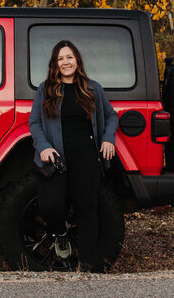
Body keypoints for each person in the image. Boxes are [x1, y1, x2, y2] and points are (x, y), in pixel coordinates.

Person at [28, 39, 118, 272]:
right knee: (50, 207)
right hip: (55, 159)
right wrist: (43, 146)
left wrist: (108, 138)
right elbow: (34, 122)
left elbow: (111, 116)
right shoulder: (45, 89)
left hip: (86, 157)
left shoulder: (93, 88)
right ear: (55, 64)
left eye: (69, 57)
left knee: (87, 210)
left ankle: (87, 266)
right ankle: (61, 234)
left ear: (77, 60)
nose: (65, 62)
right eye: (60, 58)